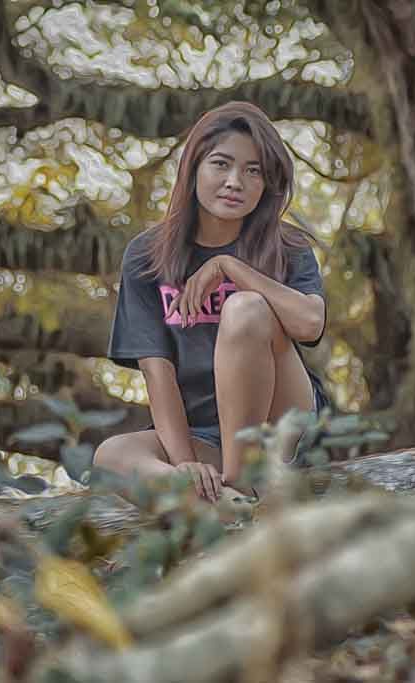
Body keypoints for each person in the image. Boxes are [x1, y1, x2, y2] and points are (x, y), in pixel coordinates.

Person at [93, 101, 329, 503]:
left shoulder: (287, 245)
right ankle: (223, 505)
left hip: (280, 426)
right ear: (194, 169)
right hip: (203, 434)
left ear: (267, 183)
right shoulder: (148, 255)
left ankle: (240, 481)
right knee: (111, 455)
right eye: (221, 164)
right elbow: (157, 372)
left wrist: (230, 267)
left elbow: (309, 325)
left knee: (246, 308)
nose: (235, 181)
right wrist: (185, 463)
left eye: (253, 171)